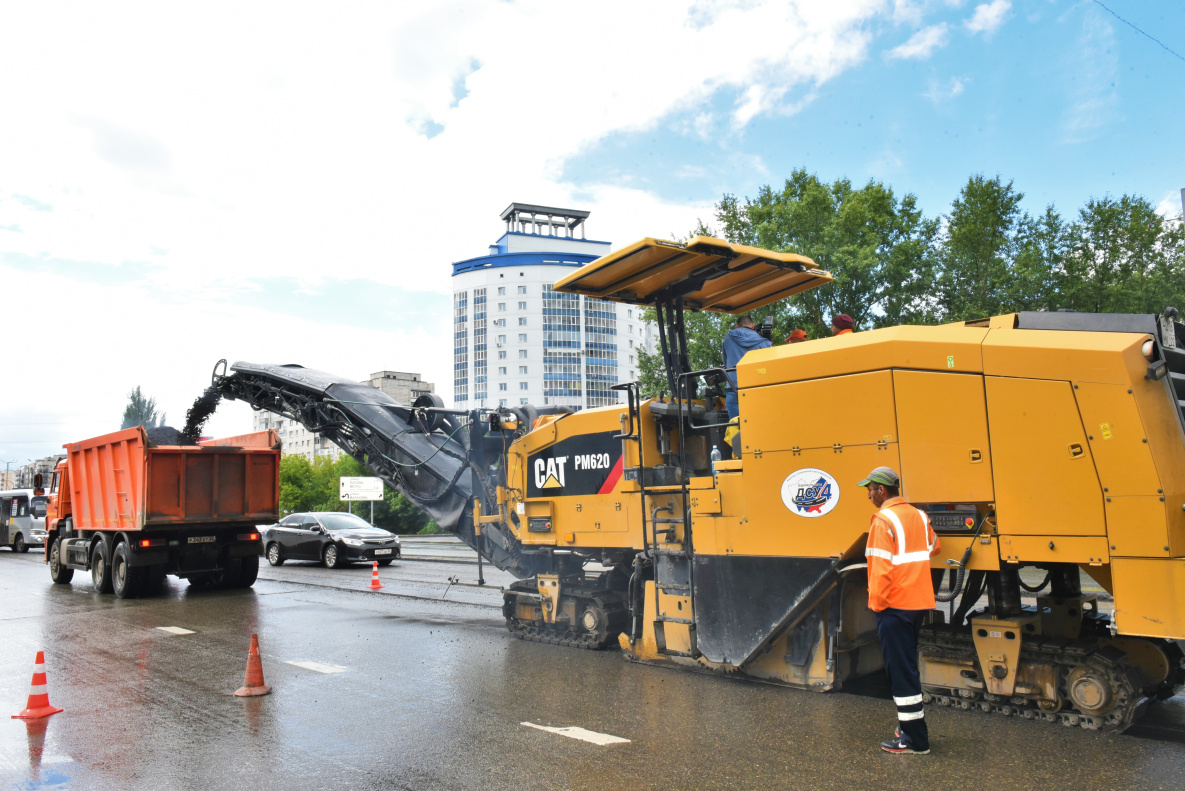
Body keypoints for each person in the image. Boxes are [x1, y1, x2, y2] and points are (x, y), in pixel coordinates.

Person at [858, 466, 940, 755]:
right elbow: (934, 546)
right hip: (918, 604)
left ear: (882, 490)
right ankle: (907, 727)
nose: (868, 494)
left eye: (870, 489)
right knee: (907, 667)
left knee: (900, 673)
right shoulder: (918, 515)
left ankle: (915, 741)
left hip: (894, 606)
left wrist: (878, 608)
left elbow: (880, 572)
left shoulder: (883, 521)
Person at [721, 315, 772, 420]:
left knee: (736, 427)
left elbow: (726, 363)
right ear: (752, 325)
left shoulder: (729, 338)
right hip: (758, 390)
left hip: (734, 388)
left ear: (736, 327)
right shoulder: (765, 342)